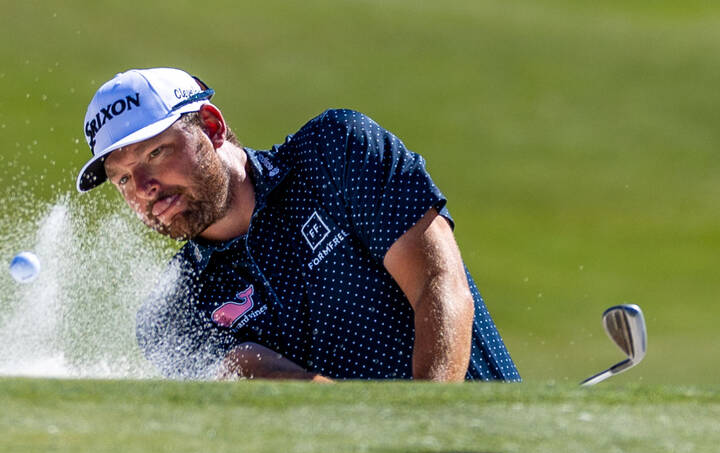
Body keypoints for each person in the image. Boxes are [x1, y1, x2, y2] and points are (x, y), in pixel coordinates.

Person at [75, 67, 519, 382]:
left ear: (211, 127)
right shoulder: (171, 314)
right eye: (122, 179)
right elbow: (259, 377)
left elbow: (437, 282)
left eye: (156, 153)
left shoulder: (335, 153)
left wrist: (431, 422)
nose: (145, 188)